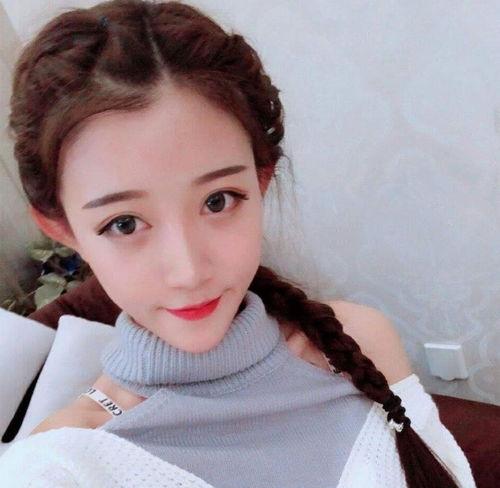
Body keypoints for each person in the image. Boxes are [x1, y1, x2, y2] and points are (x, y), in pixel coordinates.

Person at [0, 1, 476, 487]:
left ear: (261, 180)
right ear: (61, 229)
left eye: (218, 200)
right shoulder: (62, 467)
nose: (188, 271)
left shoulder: (358, 340)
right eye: (124, 224)